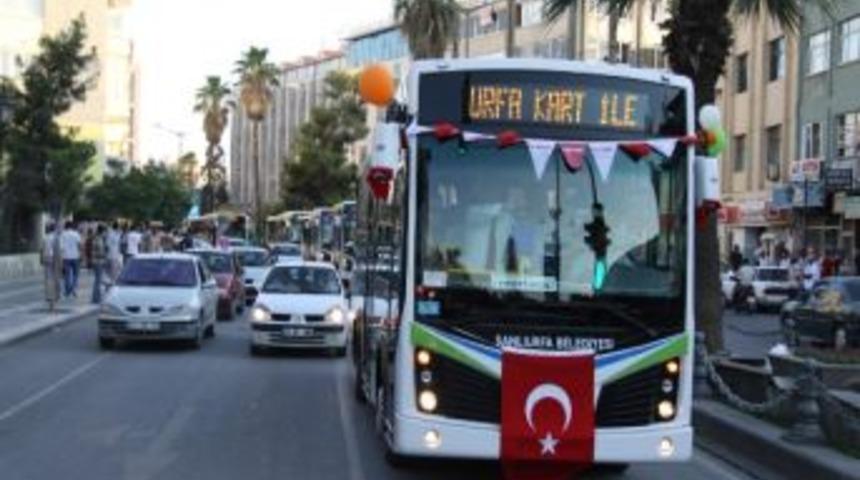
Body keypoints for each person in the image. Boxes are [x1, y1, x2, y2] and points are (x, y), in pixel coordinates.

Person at [60, 221, 83, 298]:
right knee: (76, 274)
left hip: (66, 257)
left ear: (65, 226)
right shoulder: (76, 234)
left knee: (67, 275)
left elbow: (61, 247)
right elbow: (79, 245)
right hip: (75, 256)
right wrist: (81, 254)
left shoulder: (63, 234)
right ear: (72, 226)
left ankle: (67, 291)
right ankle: (73, 289)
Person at [41, 224, 61, 308]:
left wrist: (42, 260)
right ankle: (54, 299)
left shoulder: (45, 237)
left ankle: (50, 298)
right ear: (54, 229)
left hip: (46, 259)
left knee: (48, 279)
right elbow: (58, 250)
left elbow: (41, 250)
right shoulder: (56, 238)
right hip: (54, 259)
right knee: (55, 279)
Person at [91, 224, 108, 304]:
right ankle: (96, 298)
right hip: (98, 261)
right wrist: (104, 254)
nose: (106, 233)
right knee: (98, 280)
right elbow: (98, 252)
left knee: (98, 280)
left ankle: (96, 297)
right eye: (105, 231)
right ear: (102, 231)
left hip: (97, 261)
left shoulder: (98, 238)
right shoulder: (98, 239)